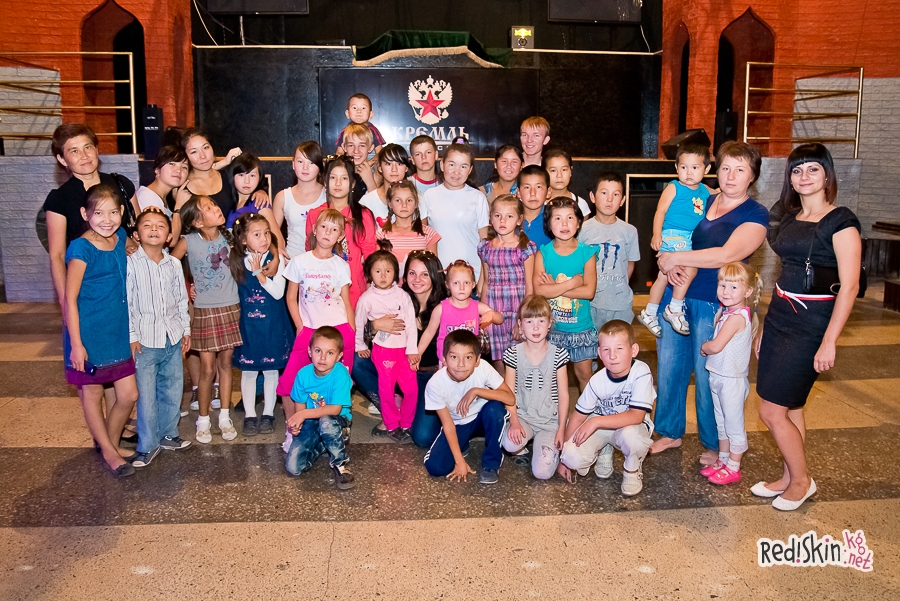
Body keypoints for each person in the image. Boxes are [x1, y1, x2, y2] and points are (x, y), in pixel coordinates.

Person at [754, 143, 861, 510]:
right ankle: (789, 475)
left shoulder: (841, 221)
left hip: (812, 324)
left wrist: (830, 340)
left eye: (813, 169)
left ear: (827, 175)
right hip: (781, 317)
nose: (804, 177)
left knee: (771, 411)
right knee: (792, 406)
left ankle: (802, 481)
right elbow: (784, 273)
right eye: (797, 170)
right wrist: (765, 326)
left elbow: (850, 286)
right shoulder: (788, 217)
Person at [650, 141, 769, 467]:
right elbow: (675, 231)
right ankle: (669, 431)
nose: (730, 175)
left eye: (740, 169)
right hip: (678, 292)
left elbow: (726, 255)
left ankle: (717, 443)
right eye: (726, 167)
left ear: (752, 176)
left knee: (708, 377)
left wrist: (677, 257)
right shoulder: (705, 198)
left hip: (717, 301)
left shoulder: (756, 214)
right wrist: (667, 258)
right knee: (670, 367)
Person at [63, 184, 139, 478]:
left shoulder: (119, 238)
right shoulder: (81, 248)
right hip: (89, 332)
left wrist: (132, 244)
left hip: (117, 329)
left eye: (113, 212)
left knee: (128, 394)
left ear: (121, 213)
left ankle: (109, 440)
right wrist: (76, 344)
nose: (107, 220)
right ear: (85, 214)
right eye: (99, 213)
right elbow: (70, 299)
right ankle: (109, 451)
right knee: (92, 392)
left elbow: (130, 246)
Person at [280, 209, 356, 451]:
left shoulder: (340, 265)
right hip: (310, 331)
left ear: (340, 236)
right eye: (323, 227)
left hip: (339, 331)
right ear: (314, 229)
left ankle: (334, 433)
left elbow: (346, 301)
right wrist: (300, 326)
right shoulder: (300, 262)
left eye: (334, 229)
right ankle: (293, 429)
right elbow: (291, 297)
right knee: (288, 384)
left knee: (337, 386)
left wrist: (351, 333)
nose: (327, 232)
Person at [355, 250, 447, 447]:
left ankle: (412, 414)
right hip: (389, 356)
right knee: (358, 363)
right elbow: (360, 323)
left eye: (424, 274)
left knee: (422, 436)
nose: (417, 279)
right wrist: (374, 325)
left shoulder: (444, 306)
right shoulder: (399, 297)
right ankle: (390, 414)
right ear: (404, 276)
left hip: (429, 374)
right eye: (412, 273)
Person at [170, 195, 243, 444]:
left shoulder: (230, 237)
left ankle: (224, 416)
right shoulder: (188, 241)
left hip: (230, 307)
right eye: (208, 208)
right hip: (204, 310)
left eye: (214, 204)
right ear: (197, 222)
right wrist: (186, 286)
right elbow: (170, 265)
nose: (216, 208)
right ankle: (203, 419)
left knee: (226, 364)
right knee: (207, 369)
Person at [44, 123, 138, 310]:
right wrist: (65, 302)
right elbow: (57, 255)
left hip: (130, 279)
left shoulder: (121, 184)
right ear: (62, 159)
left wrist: (134, 244)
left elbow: (139, 228)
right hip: (89, 288)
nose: (84, 155)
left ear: (96, 149)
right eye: (74, 151)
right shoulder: (59, 199)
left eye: (88, 147)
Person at [127, 208, 192, 468]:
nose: (154, 229)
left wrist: (185, 330)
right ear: (136, 234)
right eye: (147, 225)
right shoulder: (131, 264)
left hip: (171, 336)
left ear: (169, 236)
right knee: (146, 396)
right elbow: (129, 304)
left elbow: (181, 300)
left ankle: (168, 435)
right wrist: (132, 336)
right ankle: (147, 445)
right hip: (145, 340)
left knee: (172, 389)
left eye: (160, 226)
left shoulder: (173, 264)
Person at [559, 321, 655, 496]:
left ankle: (632, 469)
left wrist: (595, 421)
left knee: (631, 436)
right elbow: (578, 416)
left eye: (619, 348)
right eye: (606, 350)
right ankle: (605, 448)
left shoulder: (641, 372)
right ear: (599, 354)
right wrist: (563, 459)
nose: (612, 355)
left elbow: (636, 416)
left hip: (630, 427)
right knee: (571, 456)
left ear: (633, 350)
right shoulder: (597, 380)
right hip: (603, 426)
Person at [638, 143, 713, 337]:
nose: (689, 172)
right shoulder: (674, 187)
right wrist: (656, 234)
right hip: (674, 235)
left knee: (663, 276)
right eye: (683, 167)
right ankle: (674, 308)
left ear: (706, 169)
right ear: (676, 167)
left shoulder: (704, 190)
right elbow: (660, 211)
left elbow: (720, 193)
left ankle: (650, 312)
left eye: (695, 167)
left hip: (689, 238)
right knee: (691, 268)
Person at [423, 330, 516, 484]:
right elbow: (448, 424)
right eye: (454, 357)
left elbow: (510, 398)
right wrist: (459, 461)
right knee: (435, 467)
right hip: (458, 424)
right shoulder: (435, 384)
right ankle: (463, 444)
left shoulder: (483, 368)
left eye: (468, 357)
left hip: (482, 419)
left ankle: (491, 464)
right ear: (444, 359)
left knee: (495, 409)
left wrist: (477, 391)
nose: (461, 364)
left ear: (477, 360)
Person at [229, 213, 293, 437]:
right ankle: (249, 415)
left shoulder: (276, 259)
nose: (264, 238)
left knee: (271, 369)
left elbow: (278, 293)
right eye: (257, 234)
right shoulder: (237, 260)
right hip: (248, 327)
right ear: (243, 239)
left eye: (267, 233)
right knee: (249, 371)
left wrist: (260, 274)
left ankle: (268, 413)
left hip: (273, 325)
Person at [699, 262, 761, 485]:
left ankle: (734, 466)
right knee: (722, 422)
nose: (726, 291)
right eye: (722, 285)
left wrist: (704, 347)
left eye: (734, 287)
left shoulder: (737, 317)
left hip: (731, 380)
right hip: (719, 376)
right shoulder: (728, 313)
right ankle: (723, 460)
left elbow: (716, 346)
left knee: (733, 425)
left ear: (748, 291)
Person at [501, 296, 570, 480]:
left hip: (549, 422)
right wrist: (514, 421)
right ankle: (525, 446)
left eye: (541, 321)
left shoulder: (558, 355)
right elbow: (508, 393)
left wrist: (561, 429)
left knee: (542, 473)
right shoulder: (513, 354)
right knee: (509, 444)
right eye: (529, 322)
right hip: (523, 417)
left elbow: (563, 395)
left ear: (549, 323)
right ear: (520, 325)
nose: (536, 327)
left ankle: (548, 450)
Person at [533, 197, 598, 392]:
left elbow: (589, 292)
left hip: (580, 329)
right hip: (551, 330)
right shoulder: (543, 254)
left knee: (584, 375)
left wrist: (555, 287)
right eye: (557, 218)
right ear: (548, 224)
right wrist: (572, 283)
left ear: (578, 223)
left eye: (570, 218)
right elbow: (540, 291)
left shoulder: (587, 253)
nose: (564, 224)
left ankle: (588, 411)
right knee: (551, 379)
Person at [355, 246, 419, 443]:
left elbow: (411, 324)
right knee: (386, 390)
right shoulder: (366, 299)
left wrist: (412, 349)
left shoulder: (403, 296)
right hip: (383, 351)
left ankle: (407, 423)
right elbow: (359, 324)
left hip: (404, 350)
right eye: (377, 271)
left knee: (411, 389)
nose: (383, 276)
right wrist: (360, 346)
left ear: (396, 274)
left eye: (388, 271)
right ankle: (392, 424)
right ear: (369, 274)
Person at [285, 326, 356, 490]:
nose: (323, 357)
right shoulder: (303, 374)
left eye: (330, 353)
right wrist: (298, 425)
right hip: (311, 420)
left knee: (326, 421)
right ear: (309, 352)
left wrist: (303, 414)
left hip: (337, 420)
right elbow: (300, 406)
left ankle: (340, 465)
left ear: (339, 356)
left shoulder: (340, 374)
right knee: (294, 467)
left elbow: (335, 409)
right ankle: (325, 443)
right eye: (318, 351)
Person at [305, 156, 378, 308]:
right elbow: (310, 252)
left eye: (344, 178)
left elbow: (371, 257)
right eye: (333, 178)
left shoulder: (363, 215)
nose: (338, 183)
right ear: (325, 182)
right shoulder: (315, 214)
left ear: (352, 183)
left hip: (355, 291)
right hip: (321, 290)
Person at [477, 195, 536, 371]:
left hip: (518, 309)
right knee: (498, 360)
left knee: (519, 361)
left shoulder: (524, 248)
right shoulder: (486, 247)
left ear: (519, 220)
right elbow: (486, 283)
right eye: (497, 215)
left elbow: (529, 288)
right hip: (494, 309)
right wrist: (484, 317)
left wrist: (522, 320)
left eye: (509, 216)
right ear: (491, 218)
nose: (502, 221)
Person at [578, 172, 640, 330]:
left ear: (623, 200)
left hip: (619, 305)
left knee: (617, 343)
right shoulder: (581, 230)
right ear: (592, 196)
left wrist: (618, 285)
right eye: (604, 193)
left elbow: (630, 263)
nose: (609, 199)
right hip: (589, 303)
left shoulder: (630, 231)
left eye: (616, 194)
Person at [421, 142, 490, 282]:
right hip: (439, 276)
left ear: (470, 170)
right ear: (442, 165)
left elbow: (484, 243)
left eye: (463, 166)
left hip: (471, 276)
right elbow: (423, 238)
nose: (456, 172)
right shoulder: (429, 196)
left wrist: (483, 281)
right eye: (451, 164)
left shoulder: (478, 198)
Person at [416, 260, 502, 367]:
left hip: (470, 361)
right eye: (456, 283)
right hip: (447, 362)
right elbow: (429, 333)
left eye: (466, 283)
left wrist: (492, 315)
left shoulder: (477, 306)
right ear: (447, 284)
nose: (462, 287)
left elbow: (500, 319)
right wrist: (418, 354)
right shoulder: (441, 309)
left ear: (473, 284)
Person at [181, 128, 268, 216]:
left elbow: (252, 181)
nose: (202, 156)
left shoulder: (228, 176)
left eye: (206, 147)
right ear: (185, 156)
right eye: (194, 152)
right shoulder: (182, 187)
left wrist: (260, 191)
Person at [225, 153, 288, 256]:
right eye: (241, 175)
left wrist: (274, 260)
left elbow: (279, 242)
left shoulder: (259, 204)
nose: (247, 181)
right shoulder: (229, 203)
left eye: (252, 175)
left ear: (260, 178)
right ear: (232, 176)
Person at [273, 141, 327, 258]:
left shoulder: (329, 195)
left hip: (322, 262)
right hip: (291, 260)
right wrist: (278, 254)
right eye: (300, 161)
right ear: (293, 164)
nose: (305, 167)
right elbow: (272, 233)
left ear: (321, 165)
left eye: (311, 162)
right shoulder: (282, 197)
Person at [375, 180, 440, 273]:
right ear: (390, 203)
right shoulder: (381, 235)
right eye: (398, 200)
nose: (404, 205)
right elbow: (377, 267)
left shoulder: (429, 234)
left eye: (409, 200)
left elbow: (433, 270)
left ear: (416, 203)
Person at [360, 144, 427, 228]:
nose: (394, 169)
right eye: (388, 164)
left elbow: (423, 233)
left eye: (399, 164)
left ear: (406, 168)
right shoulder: (367, 201)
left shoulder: (418, 199)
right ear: (380, 168)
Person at [135, 145, 191, 243]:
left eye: (184, 167)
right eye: (172, 164)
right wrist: (178, 207)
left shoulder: (165, 197)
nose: (178, 170)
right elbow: (170, 241)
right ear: (157, 170)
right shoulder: (147, 197)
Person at [543, 147, 592, 217]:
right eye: (553, 170)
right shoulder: (536, 203)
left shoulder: (580, 204)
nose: (559, 175)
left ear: (570, 171)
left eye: (564, 170)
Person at [335, 93, 385, 158]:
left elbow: (380, 153)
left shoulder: (373, 131)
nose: (359, 111)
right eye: (354, 108)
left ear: (371, 114)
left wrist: (369, 163)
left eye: (363, 108)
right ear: (347, 113)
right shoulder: (345, 132)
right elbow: (339, 153)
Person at [339, 123, 379, 198]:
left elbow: (377, 205)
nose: (356, 151)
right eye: (351, 145)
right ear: (344, 147)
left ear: (371, 148)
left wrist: (370, 182)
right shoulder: (337, 174)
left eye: (362, 145)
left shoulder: (378, 175)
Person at [517, 165, 553, 248]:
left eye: (538, 187)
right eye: (527, 187)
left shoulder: (554, 219)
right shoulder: (509, 218)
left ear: (548, 192)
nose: (532, 193)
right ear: (518, 192)